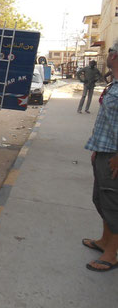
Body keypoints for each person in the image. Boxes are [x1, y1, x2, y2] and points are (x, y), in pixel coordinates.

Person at [83, 43, 118, 272]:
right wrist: (98, 148)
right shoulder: (114, 84)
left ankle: (111, 254)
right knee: (102, 201)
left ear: (115, 57)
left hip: (115, 157)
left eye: (110, 52)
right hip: (105, 151)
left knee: (114, 205)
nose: (108, 55)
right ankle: (104, 240)